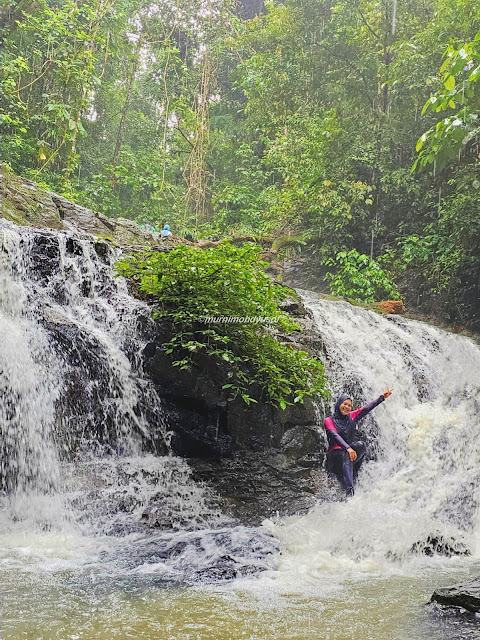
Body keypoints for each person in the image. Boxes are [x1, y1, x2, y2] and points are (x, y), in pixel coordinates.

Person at [324, 388, 393, 497]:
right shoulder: (329, 420)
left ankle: (354, 474)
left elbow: (366, 408)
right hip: (334, 456)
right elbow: (334, 435)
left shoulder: (351, 416)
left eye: (349, 405)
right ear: (339, 404)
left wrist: (382, 397)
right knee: (347, 453)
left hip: (348, 453)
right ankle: (350, 492)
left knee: (361, 445)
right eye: (344, 404)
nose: (346, 407)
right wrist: (348, 448)